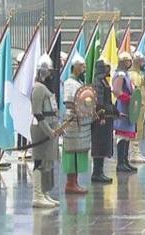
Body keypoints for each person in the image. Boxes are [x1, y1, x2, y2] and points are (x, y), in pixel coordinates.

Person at [31, 54, 61, 208]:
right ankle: (37, 195)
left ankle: (44, 193)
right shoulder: (38, 88)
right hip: (41, 129)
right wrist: (49, 130)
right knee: (39, 160)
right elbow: (37, 113)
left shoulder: (46, 88)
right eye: (49, 71)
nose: (51, 74)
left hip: (50, 128)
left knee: (48, 161)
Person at [62, 53, 90, 195]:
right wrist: (80, 110)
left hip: (81, 120)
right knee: (71, 153)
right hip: (72, 120)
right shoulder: (69, 83)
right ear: (75, 67)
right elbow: (69, 102)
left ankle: (75, 182)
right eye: (82, 66)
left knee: (79, 151)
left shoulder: (79, 83)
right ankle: (70, 183)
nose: (84, 68)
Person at [91, 59, 115, 184]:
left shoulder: (103, 81)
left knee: (104, 145)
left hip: (107, 117)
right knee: (99, 145)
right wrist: (101, 117)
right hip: (101, 119)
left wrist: (114, 111)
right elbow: (99, 102)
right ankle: (96, 172)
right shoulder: (98, 83)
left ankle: (100, 171)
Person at [112, 52, 138, 172]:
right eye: (128, 61)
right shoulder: (120, 74)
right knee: (122, 135)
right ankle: (120, 162)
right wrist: (129, 99)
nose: (130, 63)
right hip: (123, 107)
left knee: (127, 135)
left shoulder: (126, 74)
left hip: (129, 107)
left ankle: (125, 160)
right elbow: (117, 91)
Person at [128, 52, 145, 164]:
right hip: (137, 107)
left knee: (140, 128)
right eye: (141, 60)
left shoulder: (141, 74)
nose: (143, 63)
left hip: (142, 107)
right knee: (135, 128)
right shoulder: (133, 75)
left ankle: (137, 150)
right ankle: (134, 152)